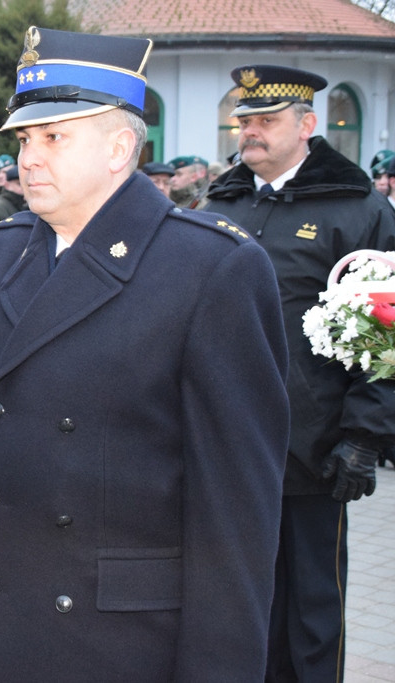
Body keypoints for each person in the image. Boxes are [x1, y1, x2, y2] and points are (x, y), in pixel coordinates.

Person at [0, 27, 290, 680]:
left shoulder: (209, 268)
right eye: (24, 139)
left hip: (123, 638)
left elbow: (236, 521)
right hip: (11, 613)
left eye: (53, 137)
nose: (28, 158)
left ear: (119, 148)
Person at [202, 64, 395, 682]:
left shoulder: (356, 209)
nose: (249, 132)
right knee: (240, 597)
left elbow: (387, 331)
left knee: (312, 603)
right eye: (244, 121)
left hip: (314, 444)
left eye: (265, 120)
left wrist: (364, 435)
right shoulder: (220, 203)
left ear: (307, 124)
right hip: (227, 438)